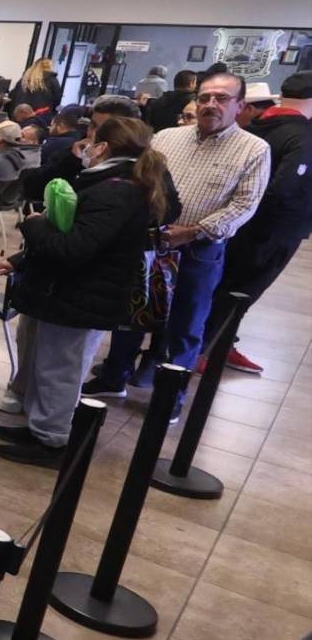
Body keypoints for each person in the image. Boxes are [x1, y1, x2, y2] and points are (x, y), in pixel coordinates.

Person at [85, 72, 270, 409]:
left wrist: (194, 231)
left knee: (186, 326)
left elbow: (244, 205)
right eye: (204, 97)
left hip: (200, 248)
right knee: (131, 315)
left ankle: (170, 398)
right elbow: (139, 180)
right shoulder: (168, 138)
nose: (211, 104)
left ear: (240, 105)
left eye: (222, 98)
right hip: (152, 243)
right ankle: (114, 378)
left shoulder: (253, 149)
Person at [0, 116, 167, 467]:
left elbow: (73, 248)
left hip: (81, 295)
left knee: (60, 369)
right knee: (48, 365)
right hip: (70, 292)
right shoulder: (113, 184)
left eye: (91, 140)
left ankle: (52, 440)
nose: (85, 146)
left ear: (103, 147)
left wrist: (35, 226)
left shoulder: (115, 191)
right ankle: (41, 426)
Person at [207, 71, 311, 375]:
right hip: (271, 232)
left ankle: (219, 343)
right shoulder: (301, 136)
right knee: (240, 289)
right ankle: (208, 347)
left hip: (237, 224)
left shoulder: (253, 127)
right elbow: (284, 189)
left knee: (225, 284)